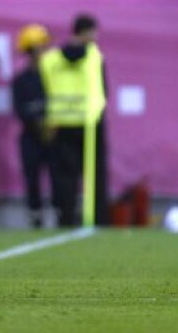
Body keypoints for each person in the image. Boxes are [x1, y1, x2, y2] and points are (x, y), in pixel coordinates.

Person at [39, 15, 108, 228]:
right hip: (90, 122)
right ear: (87, 32)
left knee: (64, 178)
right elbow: (104, 89)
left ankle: (66, 220)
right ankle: (97, 220)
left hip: (60, 123)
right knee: (95, 176)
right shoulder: (95, 56)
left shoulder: (49, 60)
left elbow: (44, 90)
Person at [12, 24, 51, 229]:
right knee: (32, 178)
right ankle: (36, 217)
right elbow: (19, 110)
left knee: (59, 177)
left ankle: (65, 214)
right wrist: (38, 124)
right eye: (36, 49)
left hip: (54, 135)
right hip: (31, 136)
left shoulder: (53, 77)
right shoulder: (20, 81)